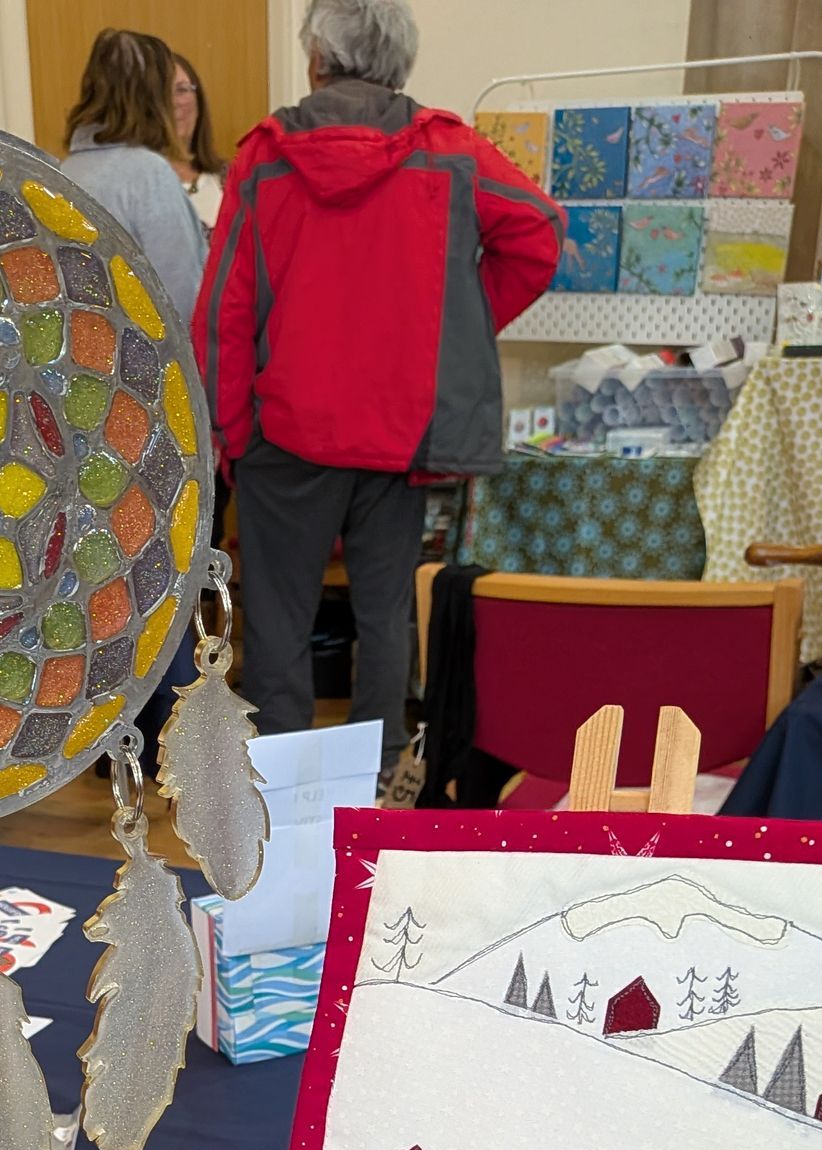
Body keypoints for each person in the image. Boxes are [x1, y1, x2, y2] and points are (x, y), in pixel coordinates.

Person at [193, 0, 561, 761]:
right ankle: (379, 790)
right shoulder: (450, 150)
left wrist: (229, 437)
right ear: (401, 63)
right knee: (386, 618)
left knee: (278, 627)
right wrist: (450, 336)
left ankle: (282, 811)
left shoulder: (264, 158)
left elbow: (223, 311)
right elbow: (539, 234)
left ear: (317, 59)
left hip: (283, 434)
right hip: (402, 429)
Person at [61, 28, 208, 323]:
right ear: (154, 98)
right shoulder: (148, 174)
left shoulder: (65, 171)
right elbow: (180, 298)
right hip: (147, 358)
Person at [171, 52, 228, 230]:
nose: (173, 102)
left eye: (182, 90)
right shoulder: (133, 187)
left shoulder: (230, 179)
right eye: (161, 93)